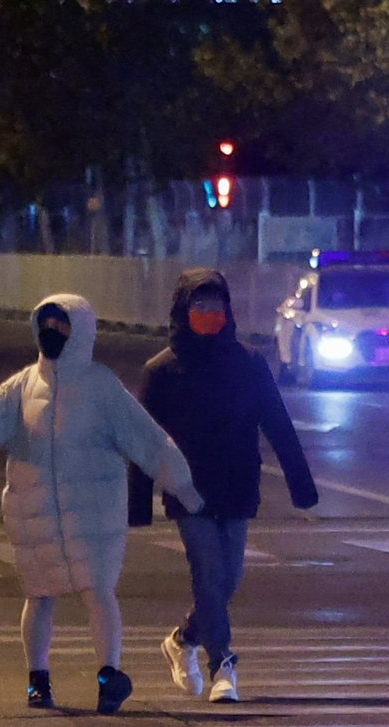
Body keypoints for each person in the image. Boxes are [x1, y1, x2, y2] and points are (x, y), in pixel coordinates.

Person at [0, 294, 204, 715]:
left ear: (80, 331)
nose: (52, 334)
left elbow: (147, 438)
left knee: (98, 592)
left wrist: (184, 486)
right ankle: (37, 682)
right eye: (46, 325)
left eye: (61, 326)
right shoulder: (25, 384)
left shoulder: (101, 386)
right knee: (39, 596)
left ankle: (109, 676)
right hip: (35, 514)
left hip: (93, 514)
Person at [131, 268, 318, 704]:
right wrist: (138, 501)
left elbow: (278, 424)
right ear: (184, 311)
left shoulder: (248, 364)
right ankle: (223, 666)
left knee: (228, 578)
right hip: (187, 489)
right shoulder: (161, 371)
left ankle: (183, 639)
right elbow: (144, 438)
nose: (209, 315)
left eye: (216, 308)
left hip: (236, 485)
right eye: (200, 308)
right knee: (208, 573)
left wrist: (301, 486)